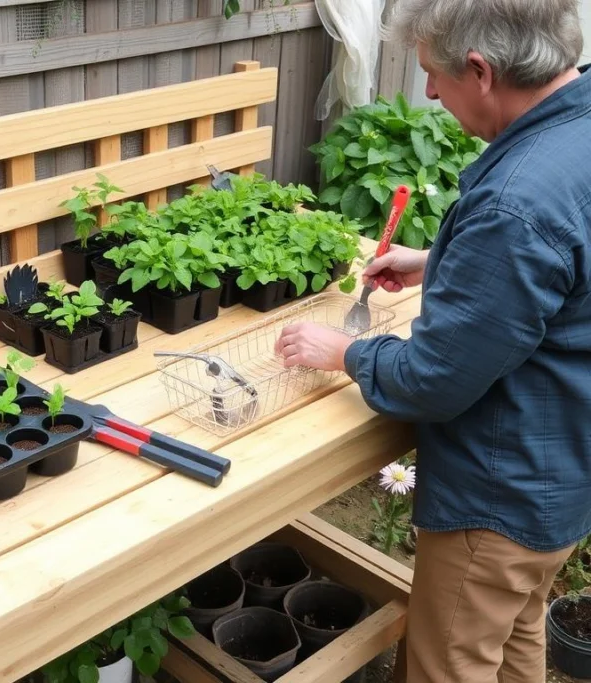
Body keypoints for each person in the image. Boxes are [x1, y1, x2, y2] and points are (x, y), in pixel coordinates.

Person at [274, 1, 590, 681]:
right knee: (516, 635)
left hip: (497, 501)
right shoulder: (579, 130)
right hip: (564, 470)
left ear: (480, 70)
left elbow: (435, 378)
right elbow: (564, 277)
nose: (430, 93)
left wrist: (345, 352)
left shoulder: (517, 202)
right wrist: (445, 258)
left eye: (433, 75)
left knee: (449, 661)